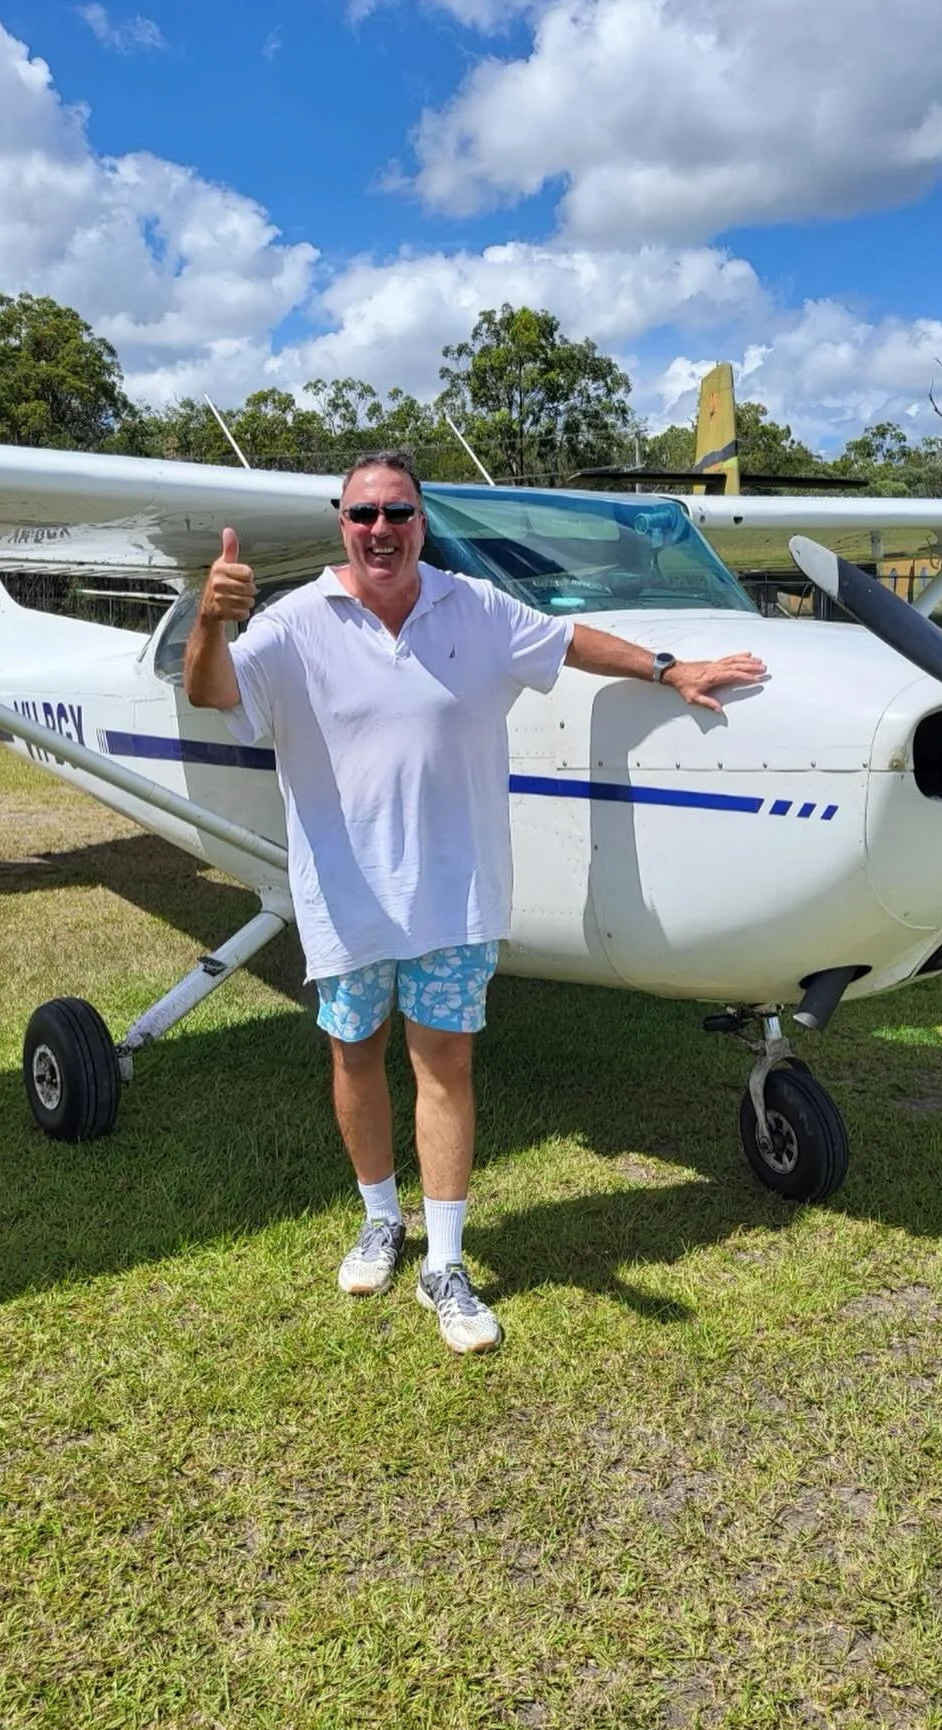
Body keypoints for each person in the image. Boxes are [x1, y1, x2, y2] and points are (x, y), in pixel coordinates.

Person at [184, 451, 766, 1354]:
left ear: (422, 521)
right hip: (345, 892)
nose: (381, 529)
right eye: (364, 513)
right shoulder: (296, 621)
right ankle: (381, 1218)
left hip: (455, 893)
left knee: (446, 1063)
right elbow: (212, 690)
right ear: (342, 523)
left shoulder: (474, 605)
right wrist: (210, 621)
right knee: (354, 1054)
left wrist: (667, 666)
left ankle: (445, 1262)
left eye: (399, 513)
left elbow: (567, 642)